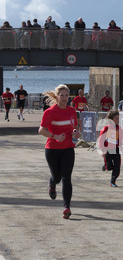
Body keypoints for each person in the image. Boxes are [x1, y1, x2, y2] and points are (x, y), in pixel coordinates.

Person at [38, 84, 78, 219]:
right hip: (52, 149)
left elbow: (74, 128)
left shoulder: (72, 111)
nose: (64, 98)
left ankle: (67, 207)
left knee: (67, 178)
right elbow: (41, 130)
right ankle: (52, 184)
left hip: (68, 148)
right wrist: (55, 136)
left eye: (66, 95)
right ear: (57, 96)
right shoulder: (50, 112)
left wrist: (75, 133)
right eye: (62, 95)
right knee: (56, 177)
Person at [98, 110, 121, 187]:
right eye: (116, 118)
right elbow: (101, 140)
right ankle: (106, 166)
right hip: (107, 149)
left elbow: (120, 139)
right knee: (110, 167)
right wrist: (102, 150)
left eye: (118, 118)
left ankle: (113, 181)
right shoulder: (106, 128)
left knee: (117, 166)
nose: (118, 120)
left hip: (116, 149)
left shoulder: (119, 128)